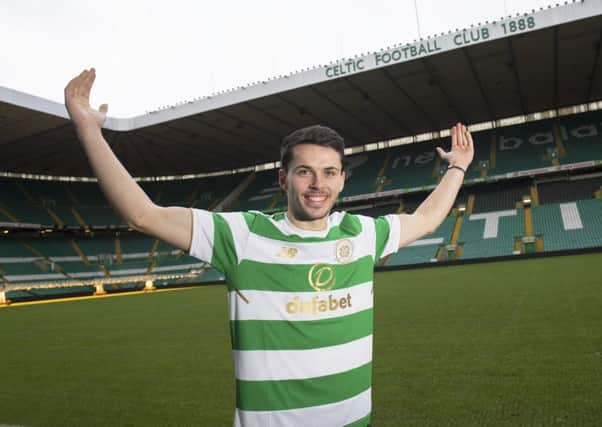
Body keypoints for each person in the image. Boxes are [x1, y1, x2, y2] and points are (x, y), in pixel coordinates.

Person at [65, 68, 474, 427]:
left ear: (343, 180)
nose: (318, 184)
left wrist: (457, 167)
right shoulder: (242, 236)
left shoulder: (362, 233)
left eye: (330, 172)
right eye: (305, 172)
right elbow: (144, 215)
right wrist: (88, 129)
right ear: (283, 179)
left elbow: (423, 219)